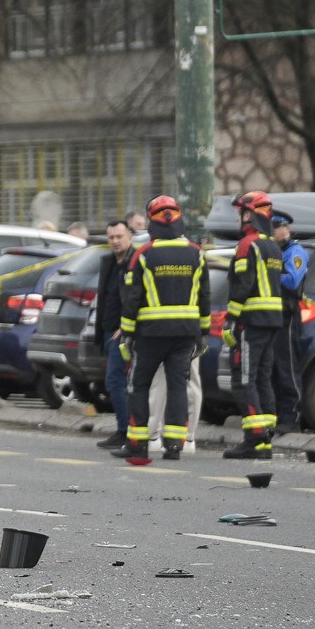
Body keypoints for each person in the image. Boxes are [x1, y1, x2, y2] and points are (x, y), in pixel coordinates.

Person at [115, 195, 208, 465]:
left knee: (139, 385)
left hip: (150, 335)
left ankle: (138, 445)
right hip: (184, 334)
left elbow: (132, 299)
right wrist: (202, 333)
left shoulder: (144, 255)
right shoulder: (196, 253)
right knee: (179, 387)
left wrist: (127, 334)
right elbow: (204, 296)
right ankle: (174, 447)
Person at [224, 191, 287, 460]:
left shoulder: (247, 245)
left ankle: (254, 438)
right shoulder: (273, 246)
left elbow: (242, 285)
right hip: (273, 321)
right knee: (262, 379)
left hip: (252, 323)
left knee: (244, 379)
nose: (240, 218)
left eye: (242, 213)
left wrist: (230, 320)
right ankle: (265, 440)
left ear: (248, 215)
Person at [94, 218, 135, 451]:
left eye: (119, 236)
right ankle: (126, 429)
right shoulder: (108, 262)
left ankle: (126, 431)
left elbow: (137, 297)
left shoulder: (136, 261)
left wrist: (127, 326)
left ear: (129, 236)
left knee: (115, 380)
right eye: (111, 237)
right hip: (110, 331)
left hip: (126, 332)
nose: (115, 241)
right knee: (115, 381)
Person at [271, 211, 308, 432]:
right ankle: (277, 416)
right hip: (272, 316)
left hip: (288, 317)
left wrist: (270, 272)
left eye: (278, 226)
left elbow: (293, 280)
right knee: (273, 369)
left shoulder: (295, 252)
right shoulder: (274, 251)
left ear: (287, 229)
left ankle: (291, 417)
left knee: (287, 368)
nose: (274, 231)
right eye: (271, 227)